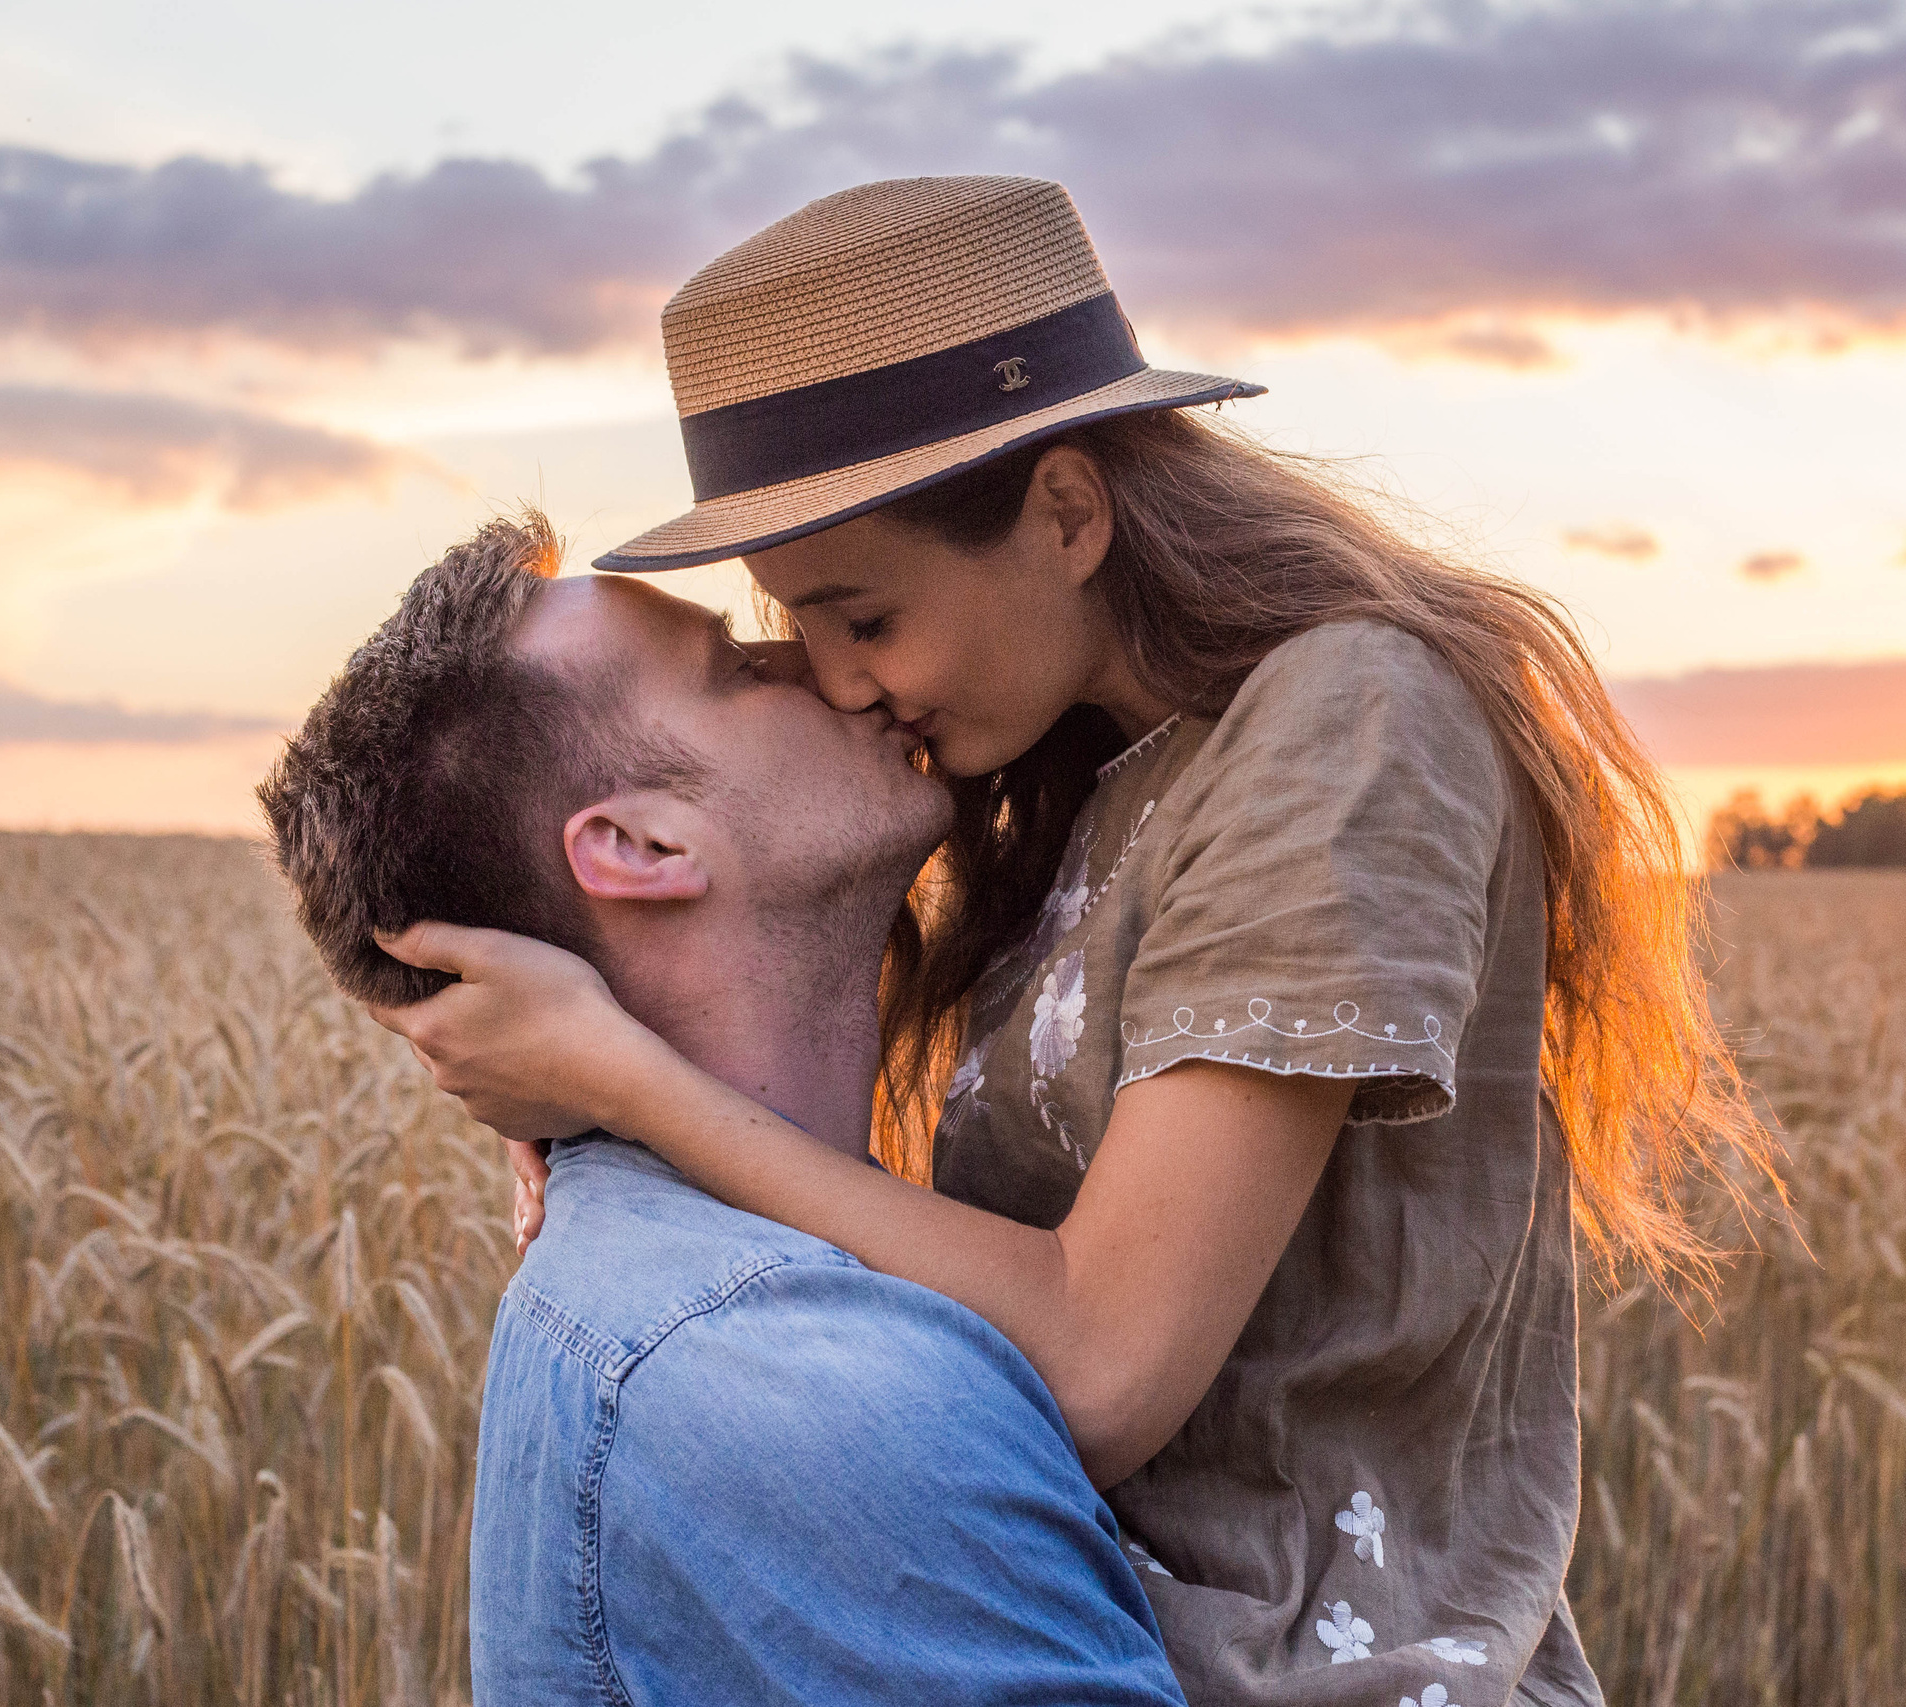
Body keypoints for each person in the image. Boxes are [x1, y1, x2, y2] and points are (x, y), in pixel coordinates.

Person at [373, 176, 1769, 1707]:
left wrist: (636, 1084)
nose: (837, 683)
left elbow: (1102, 1367)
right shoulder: (1062, 766)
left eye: (864, 617)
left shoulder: (1349, 718)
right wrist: (608, 1142)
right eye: (793, 628)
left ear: (1067, 511)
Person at [257, 514, 1188, 1707]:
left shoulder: (668, 1280)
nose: (832, 671)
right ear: (642, 846)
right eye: (738, 670)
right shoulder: (804, 1389)